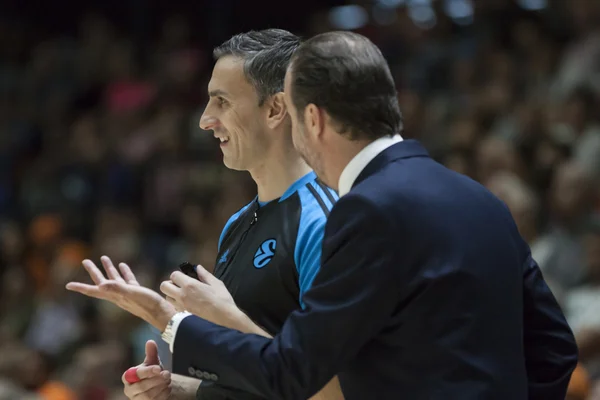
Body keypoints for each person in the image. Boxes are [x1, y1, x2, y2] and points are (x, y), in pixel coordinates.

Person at [156, 31, 579, 400]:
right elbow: (556, 348)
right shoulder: (479, 196)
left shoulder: (366, 210)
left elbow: (295, 372)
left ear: (313, 119)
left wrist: (178, 324)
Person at [66, 29, 342, 400]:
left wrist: (181, 321)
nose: (205, 120)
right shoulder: (237, 224)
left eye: (222, 102)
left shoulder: (325, 222)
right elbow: (246, 382)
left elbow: (333, 391)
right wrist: (175, 389)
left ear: (276, 109)